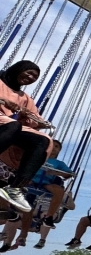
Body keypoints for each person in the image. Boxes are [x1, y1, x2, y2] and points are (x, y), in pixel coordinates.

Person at [0, 60, 54, 212]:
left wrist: (37, 121)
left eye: (35, 77)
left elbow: (33, 119)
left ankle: (16, 187)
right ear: (19, 69)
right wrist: (5, 102)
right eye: (29, 73)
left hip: (7, 125)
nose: (31, 78)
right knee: (12, 125)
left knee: (43, 141)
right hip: (6, 123)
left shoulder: (25, 98)